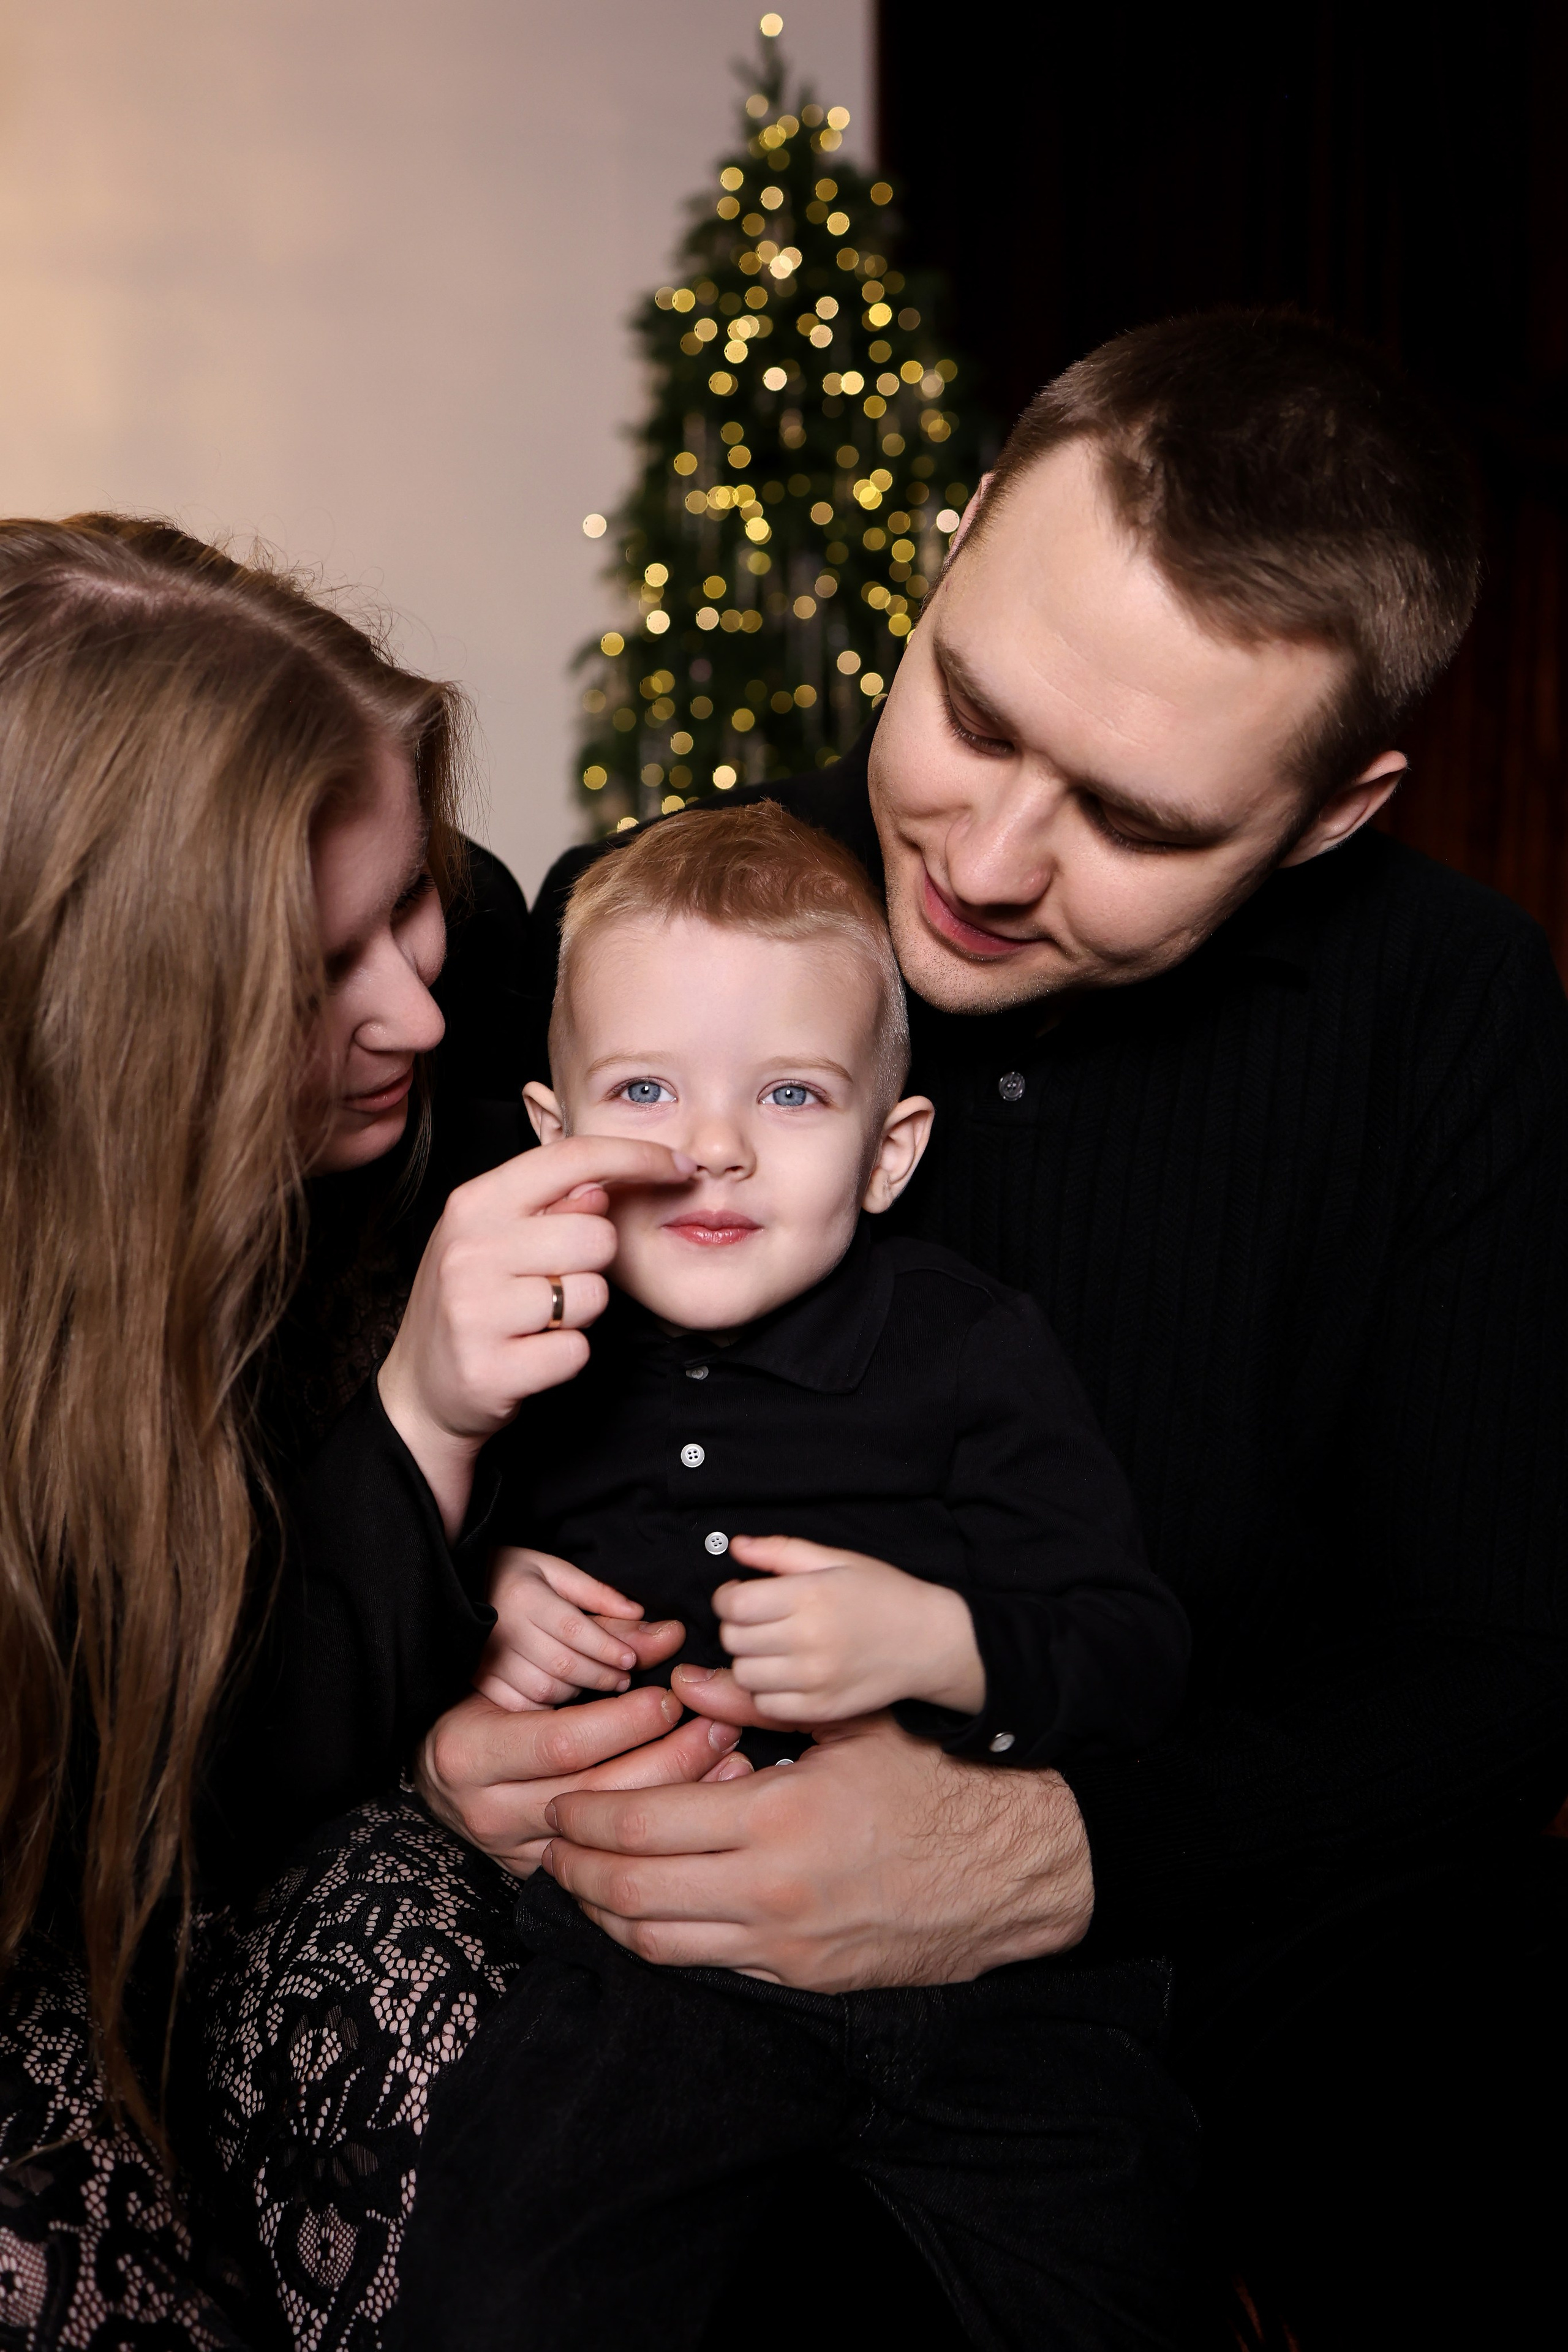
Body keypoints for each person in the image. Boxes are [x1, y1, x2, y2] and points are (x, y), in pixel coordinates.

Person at [382, 312, 1567, 2344]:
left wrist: (1052, 1853)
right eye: (974, 710)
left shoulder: (1450, 1013)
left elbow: (1497, 1663)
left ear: (1341, 808)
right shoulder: (660, 936)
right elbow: (414, 1437)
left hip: (1253, 1927)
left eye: (1146, 822)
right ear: (946, 553)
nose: (988, 863)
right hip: (689, 1952)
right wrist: (457, 1695)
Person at [0, 514, 735, 2350]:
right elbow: (119, 1837)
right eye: (321, 967)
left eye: (415, 900)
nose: (418, 1003)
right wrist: (418, 1419)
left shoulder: (455, 985)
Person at [405, 797, 1192, 2349]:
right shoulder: (523, 1352)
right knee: (500, 2278)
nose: (712, 1146)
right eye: (646, 1088)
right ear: (555, 1135)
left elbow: (1131, 1655)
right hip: (648, 1986)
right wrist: (483, 1598)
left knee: (1122, 2276)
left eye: (788, 1092)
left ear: (888, 1151)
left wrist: (936, 1640)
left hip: (987, 1999)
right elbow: (376, 1602)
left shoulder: (971, 1351)